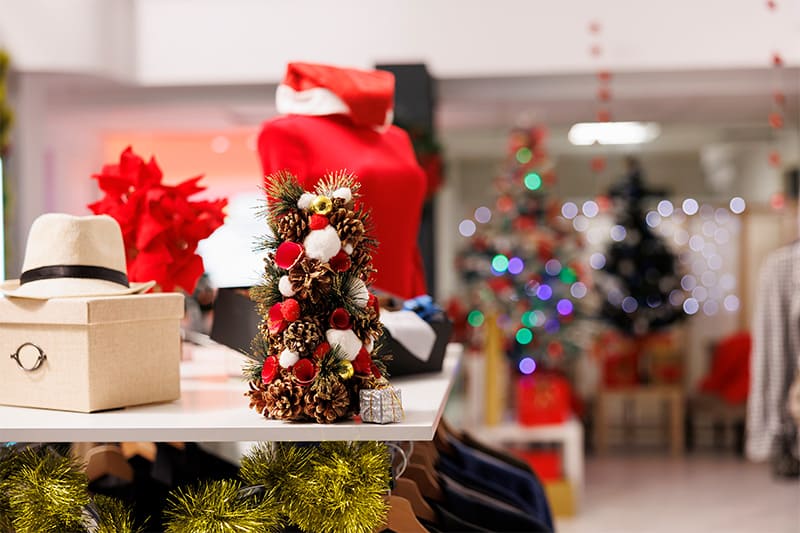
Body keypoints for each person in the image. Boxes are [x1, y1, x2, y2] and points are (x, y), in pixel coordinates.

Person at [257, 62, 428, 299]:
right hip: (334, 300)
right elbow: (286, 224)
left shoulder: (397, 138)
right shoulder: (286, 133)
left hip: (405, 293)